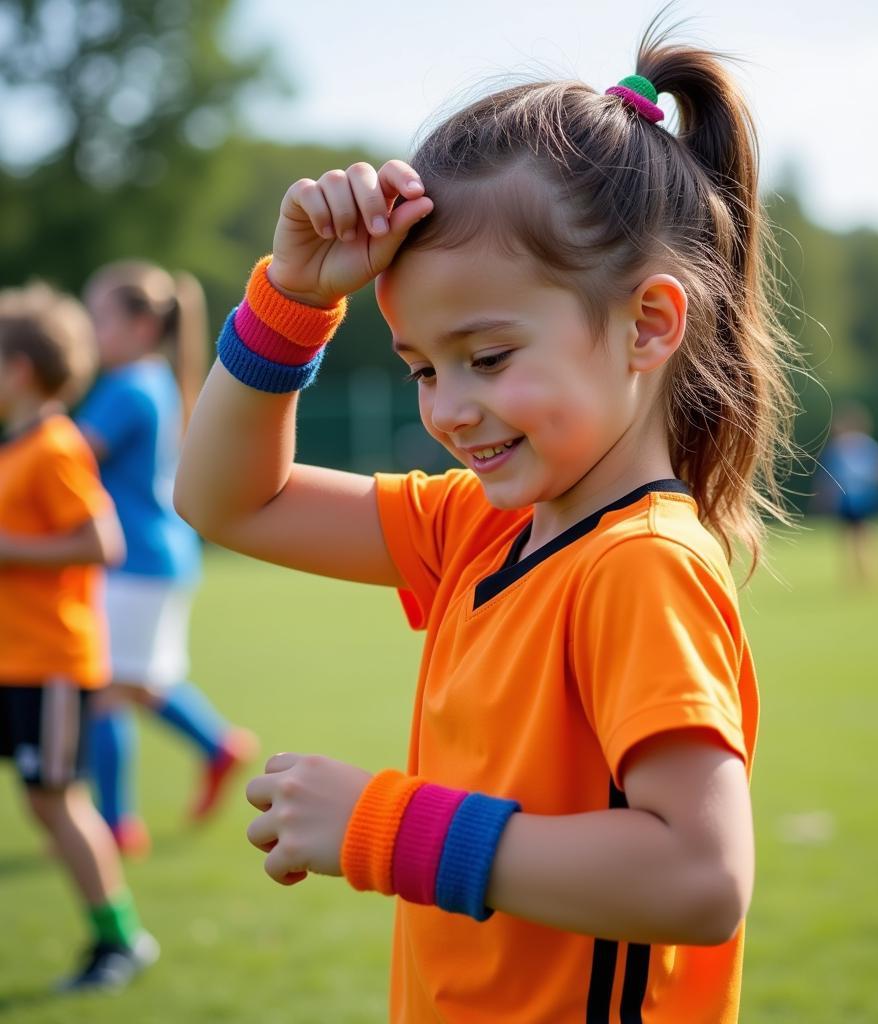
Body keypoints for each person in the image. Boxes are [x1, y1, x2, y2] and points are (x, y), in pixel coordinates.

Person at [175, 28, 798, 1023]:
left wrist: (386, 827)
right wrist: (290, 301)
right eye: (424, 366)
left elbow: (699, 876)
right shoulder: (480, 527)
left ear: (646, 324)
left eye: (488, 355)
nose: (448, 408)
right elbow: (226, 500)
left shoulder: (639, 564)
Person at [0, 283, 158, 990]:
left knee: (56, 802)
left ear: (19, 369)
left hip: (50, 663)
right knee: (41, 803)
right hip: (10, 659)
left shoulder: (56, 445)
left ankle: (120, 941)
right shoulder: (12, 448)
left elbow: (103, 541)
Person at [75, 261, 257, 858]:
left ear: (143, 325)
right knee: (138, 683)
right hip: (159, 557)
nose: (90, 330)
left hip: (135, 561)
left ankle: (115, 823)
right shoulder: (152, 380)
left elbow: (70, 459)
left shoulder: (127, 386)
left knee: (106, 689)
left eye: (100, 317)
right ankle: (217, 746)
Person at [815, 401, 878, 586]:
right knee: (848, 539)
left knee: (865, 536)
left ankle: (871, 573)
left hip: (863, 498)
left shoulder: (864, 445)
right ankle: (856, 575)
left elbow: (877, 467)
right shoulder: (836, 449)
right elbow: (830, 477)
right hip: (847, 500)